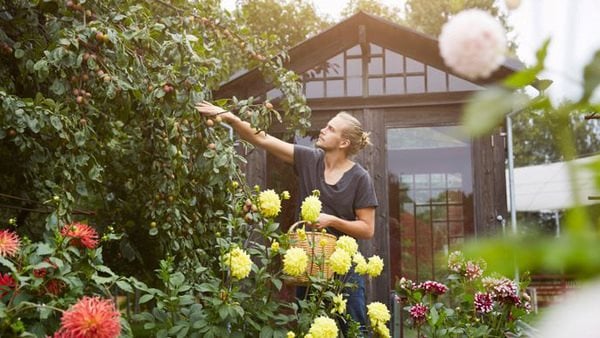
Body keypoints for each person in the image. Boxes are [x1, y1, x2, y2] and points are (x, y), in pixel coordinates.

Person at [195, 101, 378, 335]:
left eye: (331, 129)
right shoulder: (308, 160)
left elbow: (367, 228)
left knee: (355, 333)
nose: (322, 129)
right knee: (307, 330)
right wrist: (230, 117)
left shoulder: (360, 178)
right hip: (308, 267)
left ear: (344, 143)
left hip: (345, 273)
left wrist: (331, 221)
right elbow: (262, 139)